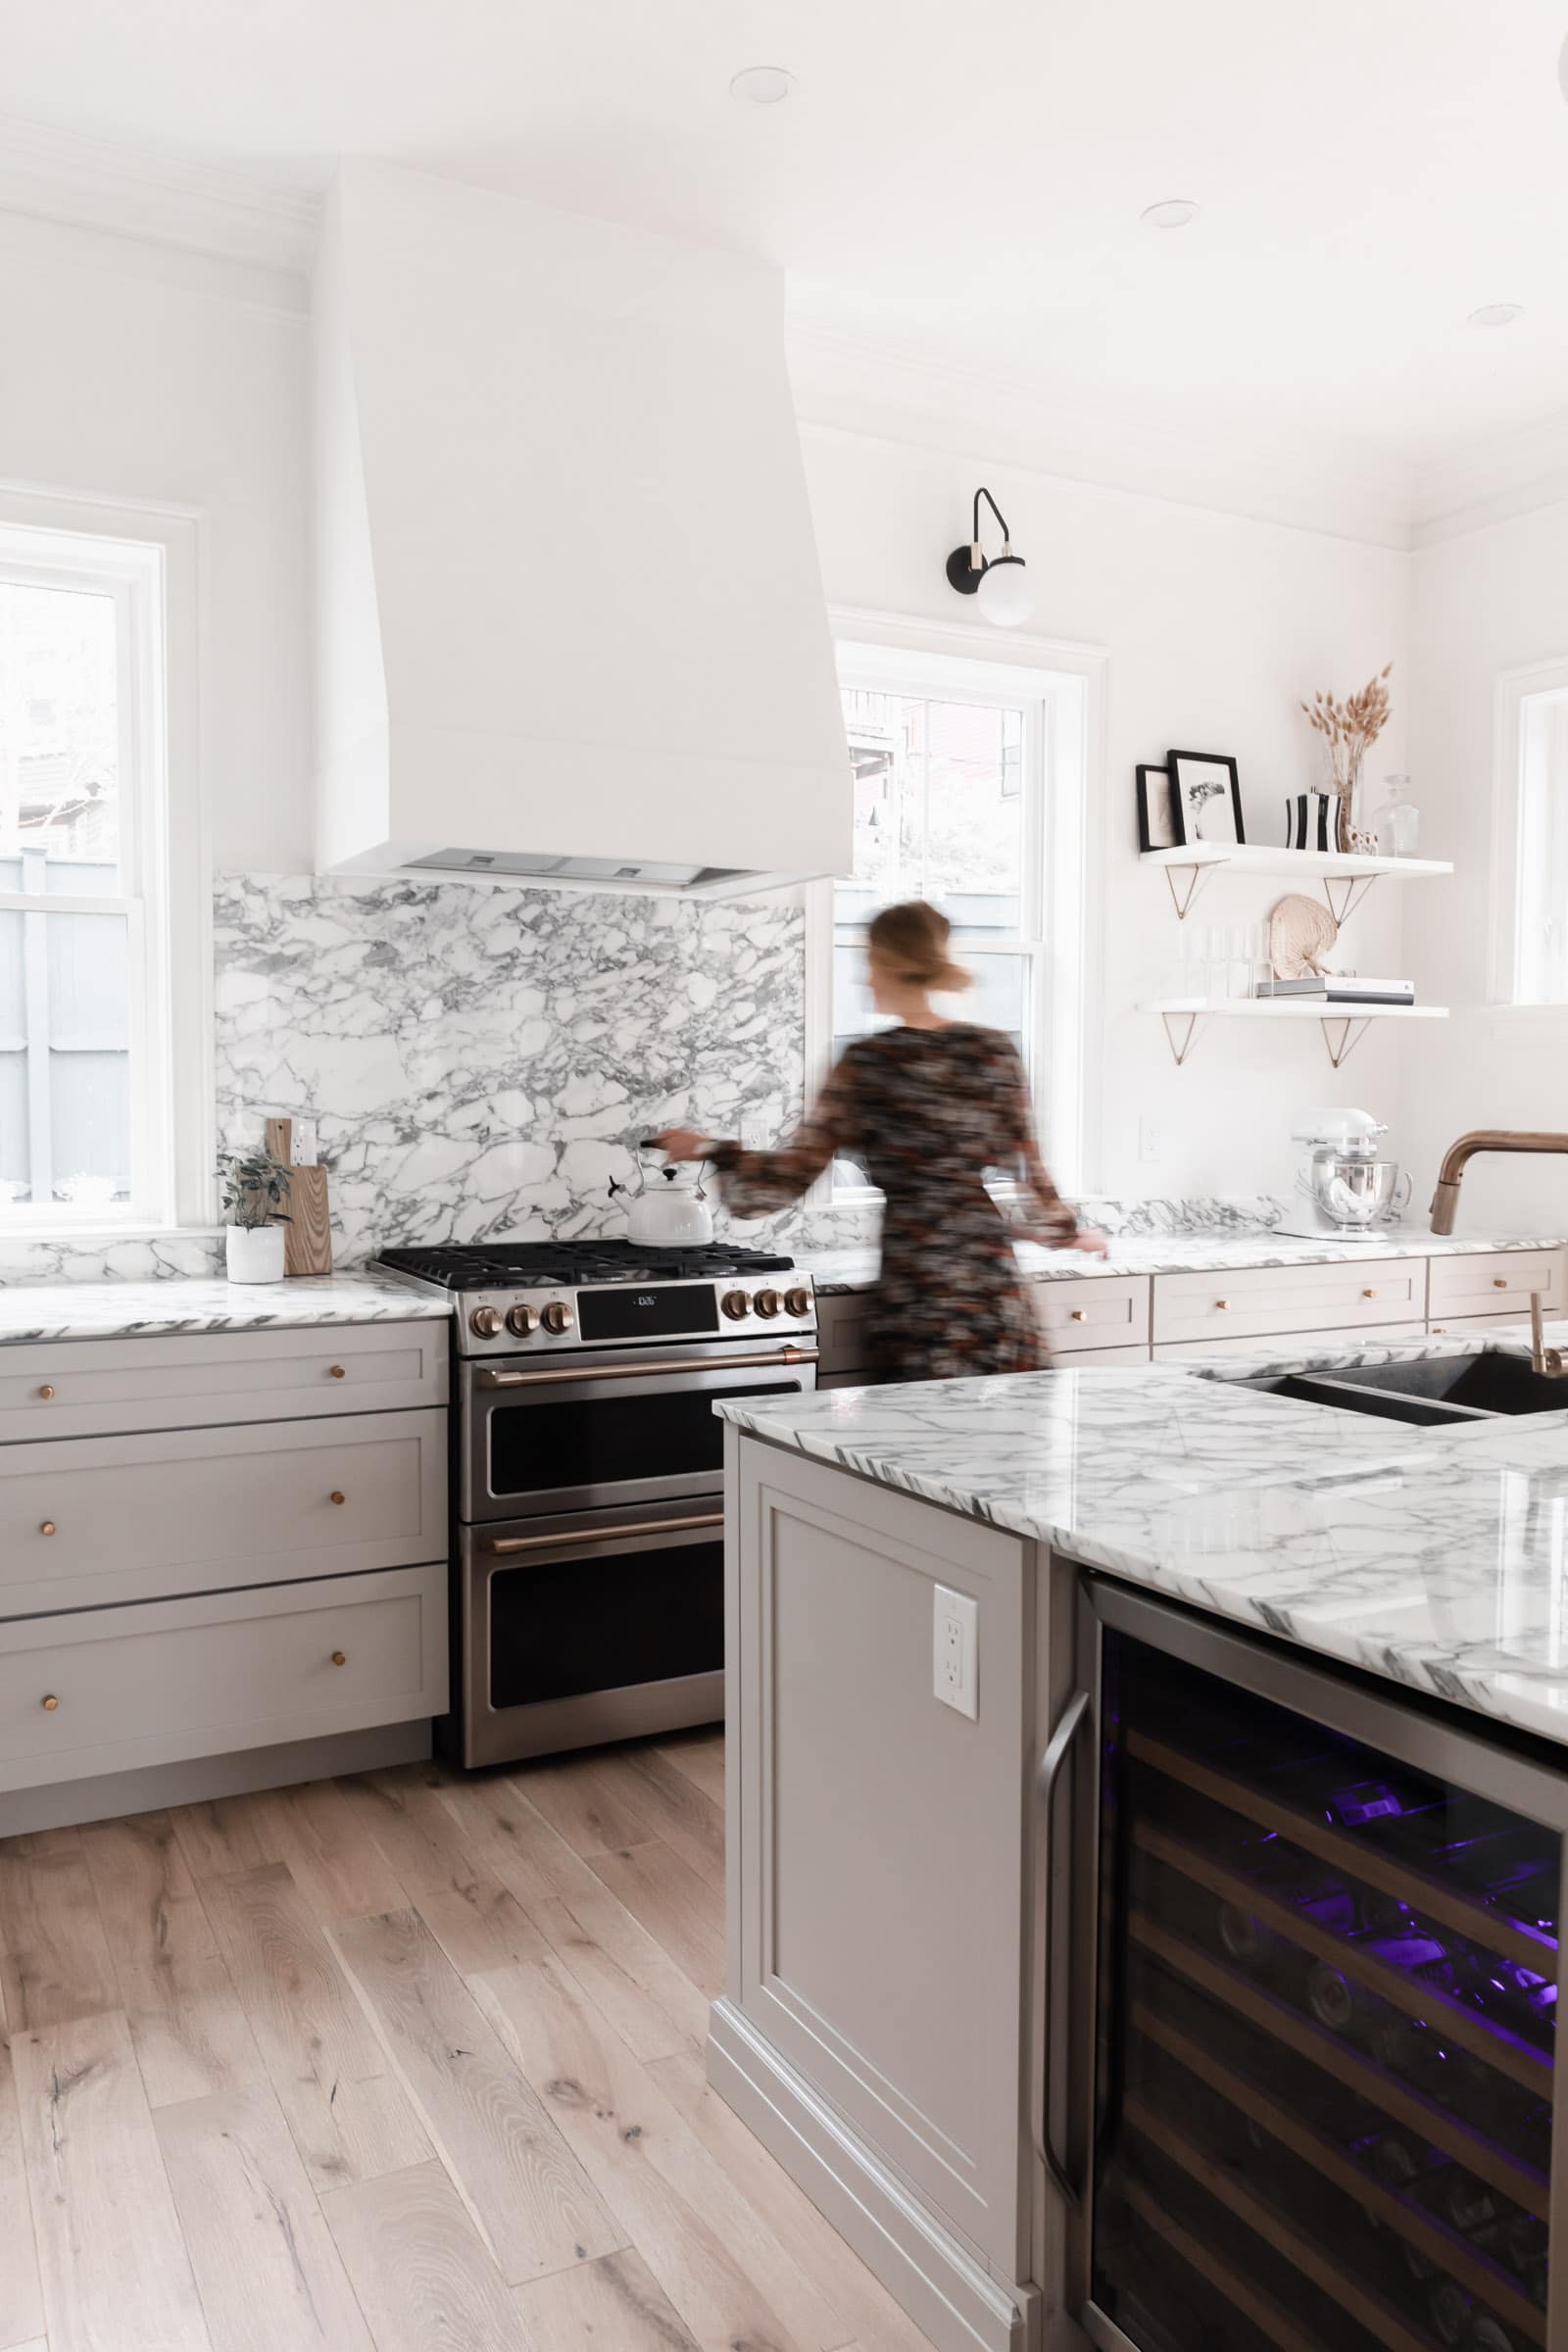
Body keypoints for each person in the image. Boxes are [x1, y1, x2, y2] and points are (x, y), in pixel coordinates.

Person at [652, 899, 1106, 1382]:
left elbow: (793, 1173)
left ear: (891, 964)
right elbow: (1028, 1164)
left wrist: (710, 1149)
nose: (863, 979)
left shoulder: (869, 1062)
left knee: (916, 1424)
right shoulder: (991, 1051)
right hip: (988, 1282)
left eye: (868, 962)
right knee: (1004, 1424)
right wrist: (1066, 1232)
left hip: (917, 1287)